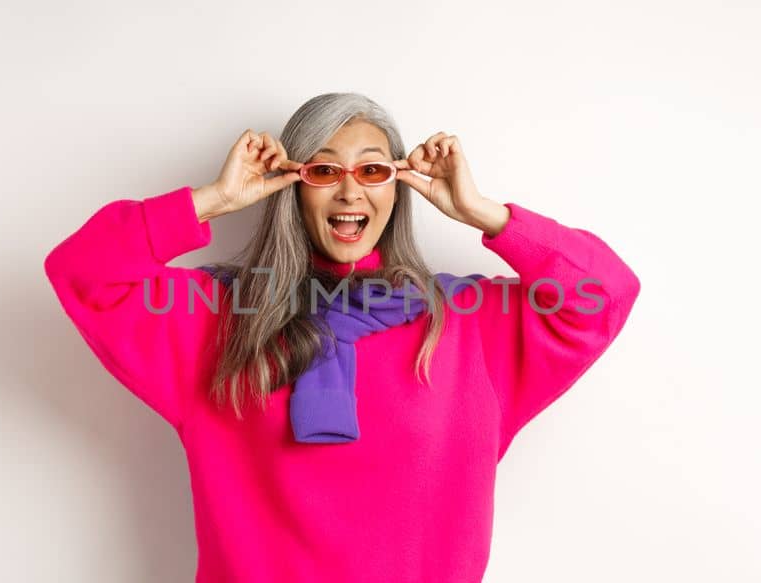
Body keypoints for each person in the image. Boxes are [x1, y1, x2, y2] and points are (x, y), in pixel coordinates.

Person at [43, 92, 641, 582]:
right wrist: (215, 200)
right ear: (291, 186)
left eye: (374, 170)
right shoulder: (218, 319)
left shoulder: (467, 322)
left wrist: (484, 213)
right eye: (325, 169)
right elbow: (84, 272)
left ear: (397, 187)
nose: (350, 191)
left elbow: (605, 294)